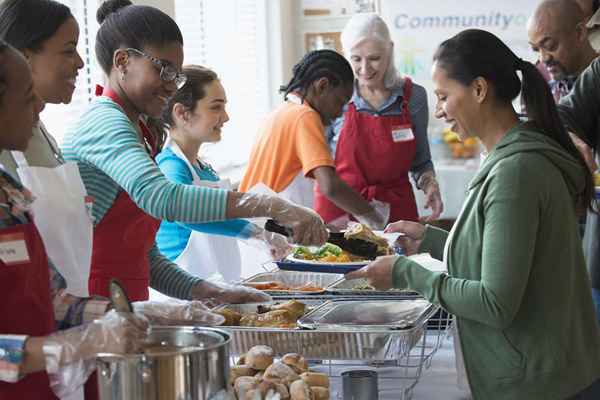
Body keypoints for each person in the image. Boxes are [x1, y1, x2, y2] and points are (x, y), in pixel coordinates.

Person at [348, 29, 600, 399]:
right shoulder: (511, 158)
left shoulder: (515, 172)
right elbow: (506, 255)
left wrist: (405, 273)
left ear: (479, 90)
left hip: (542, 383)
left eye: (444, 96)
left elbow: (495, 302)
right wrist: (430, 240)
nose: (438, 110)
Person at [61, 0, 325, 305]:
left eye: (176, 75)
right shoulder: (105, 121)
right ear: (122, 62)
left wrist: (208, 291)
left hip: (125, 303)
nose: (171, 86)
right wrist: (272, 206)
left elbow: (142, 256)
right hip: (93, 301)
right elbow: (162, 198)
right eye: (163, 70)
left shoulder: (139, 130)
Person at [0, 39, 149, 400]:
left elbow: (49, 299)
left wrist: (114, 313)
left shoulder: (9, 193)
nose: (37, 107)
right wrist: (67, 347)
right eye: (26, 98)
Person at [156, 65, 291, 281]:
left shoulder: (203, 168)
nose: (226, 117)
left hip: (215, 285)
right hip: (183, 288)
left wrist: (268, 231)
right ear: (182, 113)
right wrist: (256, 233)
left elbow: (222, 215)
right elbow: (186, 212)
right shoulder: (170, 167)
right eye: (216, 107)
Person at [0, 0, 94, 297]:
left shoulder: (45, 138)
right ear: (24, 57)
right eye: (68, 50)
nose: (80, 63)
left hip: (65, 317)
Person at [314, 13, 443, 226]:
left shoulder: (413, 98)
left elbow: (420, 161)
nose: (365, 69)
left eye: (374, 58)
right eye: (356, 59)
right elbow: (318, 162)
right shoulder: (333, 96)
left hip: (395, 210)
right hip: (341, 211)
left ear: (389, 50)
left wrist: (430, 185)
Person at [239, 49, 388, 230]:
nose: (339, 113)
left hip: (256, 225)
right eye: (339, 102)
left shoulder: (283, 111)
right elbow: (330, 186)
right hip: (268, 230)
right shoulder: (305, 116)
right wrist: (373, 218)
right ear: (322, 86)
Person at [527, 0, 598, 103]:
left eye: (550, 46)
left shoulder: (596, 77)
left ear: (580, 33)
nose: (543, 59)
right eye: (536, 49)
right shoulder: (538, 79)